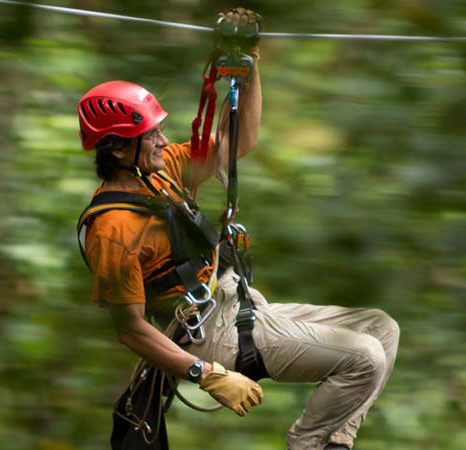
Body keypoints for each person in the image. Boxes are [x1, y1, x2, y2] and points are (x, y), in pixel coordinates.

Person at [76, 9, 399, 450]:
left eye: (159, 130)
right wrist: (204, 373)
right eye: (150, 134)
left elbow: (239, 141)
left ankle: (334, 443)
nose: (162, 140)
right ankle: (307, 444)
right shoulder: (111, 230)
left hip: (237, 302)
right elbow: (130, 329)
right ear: (116, 150)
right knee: (365, 357)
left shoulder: (163, 170)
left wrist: (249, 64)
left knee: (381, 328)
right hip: (207, 335)